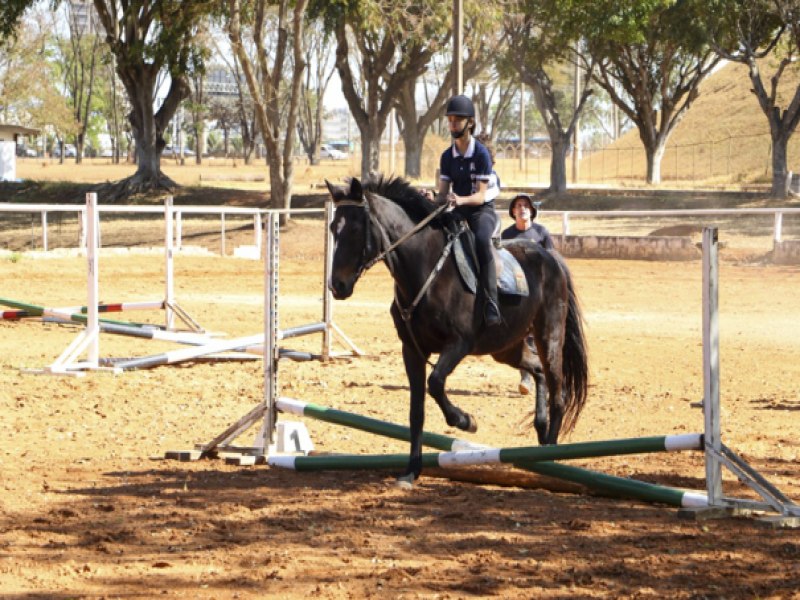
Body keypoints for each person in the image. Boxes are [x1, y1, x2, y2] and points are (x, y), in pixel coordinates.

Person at [434, 94, 502, 326]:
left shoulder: (481, 154)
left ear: (469, 123)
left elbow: (481, 196)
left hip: (481, 211)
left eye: (457, 120)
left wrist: (459, 200)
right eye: (450, 120)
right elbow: (443, 193)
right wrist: (432, 197)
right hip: (458, 208)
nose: (452, 124)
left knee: (482, 240)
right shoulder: (446, 157)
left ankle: (491, 301)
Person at [500, 193, 554, 394]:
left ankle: (540, 375)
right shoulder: (506, 236)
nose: (522, 208)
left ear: (531, 211)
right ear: (513, 212)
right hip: (516, 290)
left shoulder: (541, 233)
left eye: (525, 205)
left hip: (539, 290)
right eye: (518, 206)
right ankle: (527, 376)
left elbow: (552, 261)